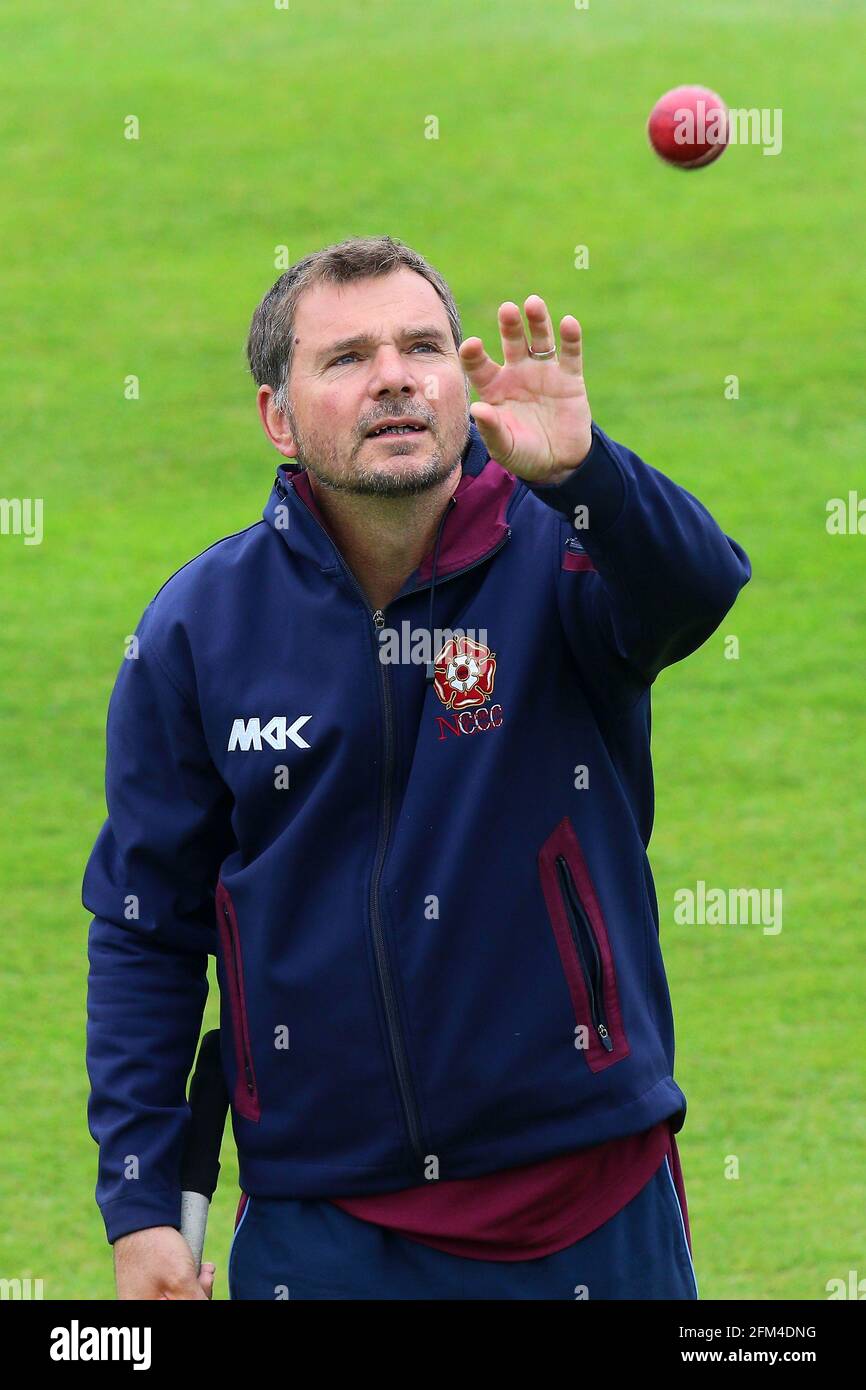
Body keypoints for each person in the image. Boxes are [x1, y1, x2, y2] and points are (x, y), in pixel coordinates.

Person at [83, 234, 750, 1300]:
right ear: (279, 418)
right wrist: (142, 1206)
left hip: (587, 1198)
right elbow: (142, 927)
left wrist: (587, 476)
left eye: (421, 346)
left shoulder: (566, 552)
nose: (392, 374)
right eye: (344, 358)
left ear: (458, 381)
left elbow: (694, 590)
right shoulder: (201, 628)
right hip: (326, 1226)